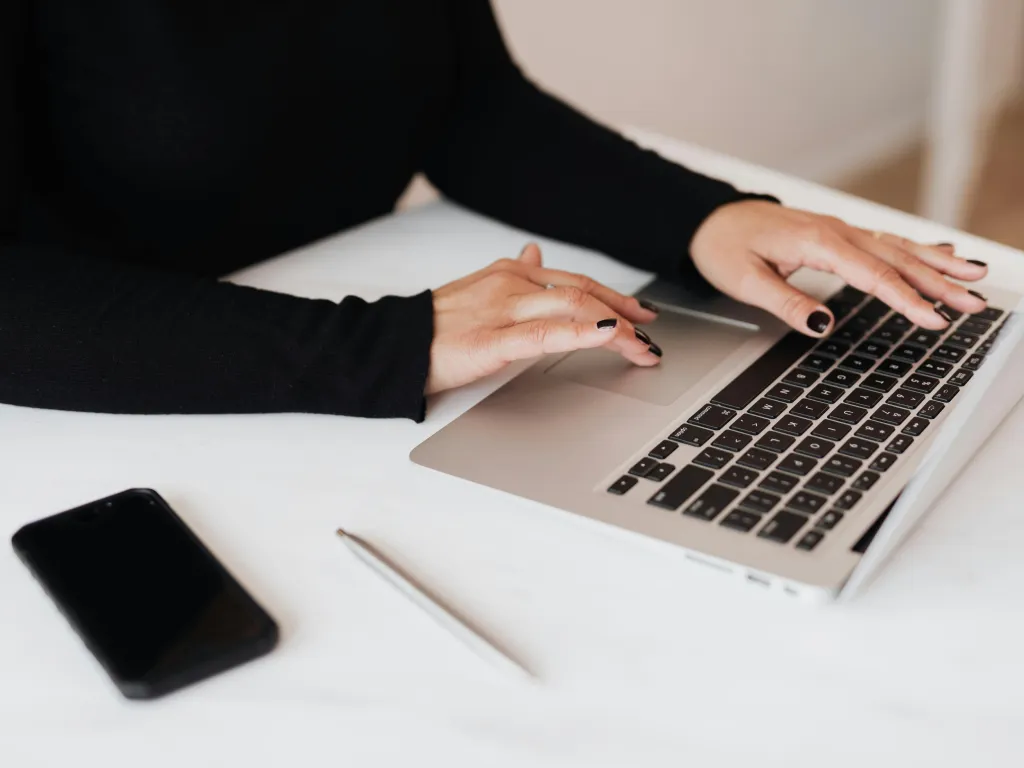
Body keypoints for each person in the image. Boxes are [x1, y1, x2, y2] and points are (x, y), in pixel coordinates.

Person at [0, 1, 988, 421]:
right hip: (104, 406)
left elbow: (462, 102)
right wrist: (389, 346)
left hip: (321, 364)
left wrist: (704, 219)